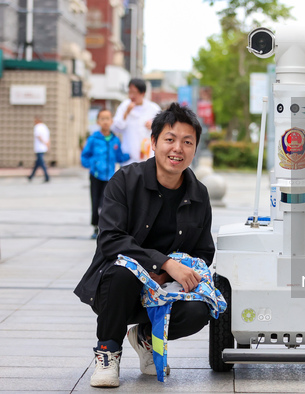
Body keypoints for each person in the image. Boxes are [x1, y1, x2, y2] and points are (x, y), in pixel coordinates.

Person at [74, 103, 215, 388]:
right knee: (125, 273)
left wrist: (170, 272)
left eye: (187, 142)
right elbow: (110, 238)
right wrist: (161, 263)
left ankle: (145, 337)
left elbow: (204, 251)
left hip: (165, 289)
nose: (178, 148)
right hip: (116, 287)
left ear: (195, 148)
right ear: (153, 142)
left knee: (200, 310)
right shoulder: (125, 181)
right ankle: (108, 351)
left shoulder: (198, 193)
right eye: (170, 139)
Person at [80, 109, 130, 239]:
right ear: (98, 121)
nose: (105, 121)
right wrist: (92, 164)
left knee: (107, 203)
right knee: (95, 202)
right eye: (102, 119)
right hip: (96, 176)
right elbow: (84, 156)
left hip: (110, 177)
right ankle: (95, 227)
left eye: (108, 118)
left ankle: (105, 228)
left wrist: (132, 154)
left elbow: (119, 157)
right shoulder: (93, 139)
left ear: (111, 121)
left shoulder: (115, 140)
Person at [112, 78, 161, 165]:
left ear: (143, 93)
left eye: (134, 93)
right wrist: (126, 112)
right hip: (129, 157)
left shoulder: (153, 108)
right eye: (130, 92)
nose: (131, 96)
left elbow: (163, 128)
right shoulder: (124, 106)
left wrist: (154, 125)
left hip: (148, 156)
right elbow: (116, 127)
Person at [28, 115, 51, 182]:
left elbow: (39, 136)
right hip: (44, 148)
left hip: (39, 148)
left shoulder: (37, 127)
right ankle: (31, 176)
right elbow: (48, 137)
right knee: (37, 163)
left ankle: (47, 176)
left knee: (42, 163)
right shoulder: (45, 127)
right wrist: (48, 146)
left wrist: (44, 143)